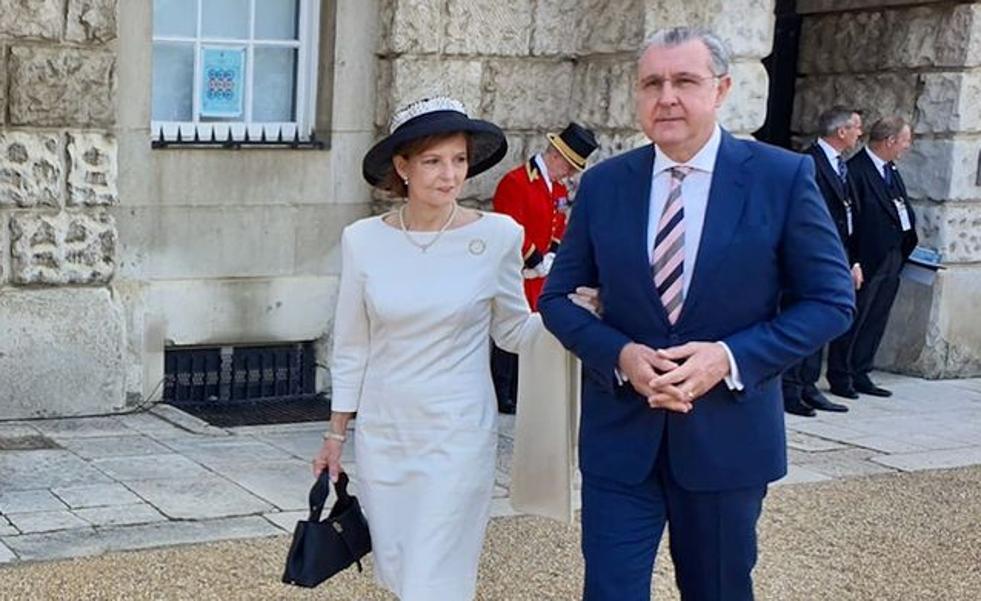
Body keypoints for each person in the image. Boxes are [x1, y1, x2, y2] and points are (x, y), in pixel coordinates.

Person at [538, 27, 855, 601]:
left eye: (685, 81)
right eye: (652, 83)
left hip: (727, 440)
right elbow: (556, 299)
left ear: (722, 88)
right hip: (621, 442)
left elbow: (831, 300)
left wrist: (728, 359)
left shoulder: (781, 178)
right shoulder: (606, 184)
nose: (667, 97)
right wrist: (621, 356)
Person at [311, 96, 595, 600]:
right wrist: (335, 437)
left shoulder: (498, 235)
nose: (450, 175)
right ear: (402, 167)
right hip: (386, 434)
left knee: (434, 574)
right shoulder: (362, 241)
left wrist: (568, 314)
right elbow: (353, 344)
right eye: (433, 161)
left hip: (459, 434)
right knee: (400, 568)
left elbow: (513, 330)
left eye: (459, 160)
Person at [490, 122, 599, 414]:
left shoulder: (558, 187)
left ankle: (518, 387)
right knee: (509, 327)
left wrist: (552, 252)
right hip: (517, 270)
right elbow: (509, 226)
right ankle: (501, 389)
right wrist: (533, 258)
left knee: (531, 329)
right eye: (571, 167)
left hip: (539, 275)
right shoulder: (516, 181)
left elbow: (557, 222)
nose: (571, 174)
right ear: (557, 157)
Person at [827, 116, 917, 399]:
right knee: (856, 315)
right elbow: (851, 219)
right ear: (890, 141)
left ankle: (861, 370)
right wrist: (854, 260)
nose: (907, 146)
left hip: (892, 255)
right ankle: (841, 375)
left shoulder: (891, 169)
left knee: (876, 316)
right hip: (866, 258)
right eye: (904, 140)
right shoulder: (856, 170)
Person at [784, 107, 864, 416]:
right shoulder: (809, 163)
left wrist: (851, 259)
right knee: (801, 319)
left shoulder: (841, 166)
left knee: (821, 323)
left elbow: (846, 217)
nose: (860, 133)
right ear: (841, 131)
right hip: (809, 257)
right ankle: (790, 388)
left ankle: (808, 385)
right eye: (856, 127)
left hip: (836, 255)